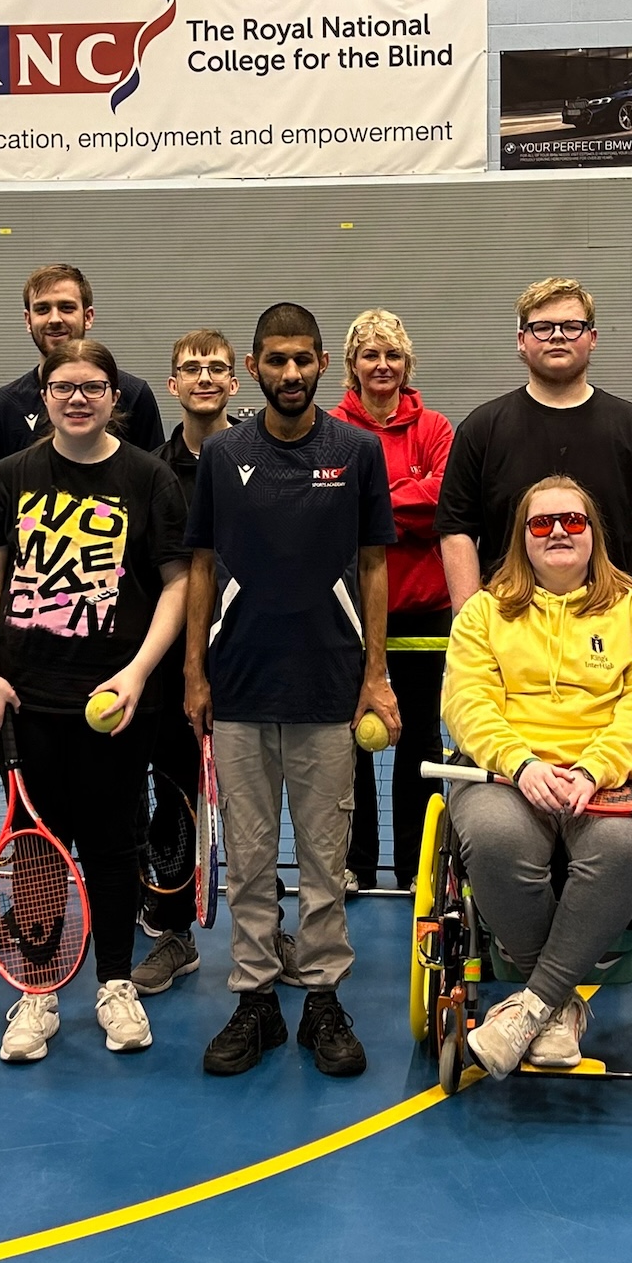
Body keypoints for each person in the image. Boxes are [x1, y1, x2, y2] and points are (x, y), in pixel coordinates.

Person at [0, 338, 190, 1063]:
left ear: (113, 396)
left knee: (113, 842)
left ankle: (115, 982)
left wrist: (136, 671)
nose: (77, 397)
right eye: (63, 386)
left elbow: (178, 583)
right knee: (37, 847)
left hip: (117, 700)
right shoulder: (10, 474)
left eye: (92, 385)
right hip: (27, 697)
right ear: (46, 396)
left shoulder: (149, 478)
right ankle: (38, 986)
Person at [186, 302, 397, 1079]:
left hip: (328, 686)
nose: (289, 373)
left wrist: (375, 674)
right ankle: (254, 1000)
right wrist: (192, 672)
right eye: (274, 360)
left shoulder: (357, 451)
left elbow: (373, 564)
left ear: (321, 366)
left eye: (302, 359)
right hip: (238, 686)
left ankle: (321, 998)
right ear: (252, 367)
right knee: (246, 863)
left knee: (324, 860)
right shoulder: (221, 455)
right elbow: (202, 564)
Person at [443, 476, 632, 1078]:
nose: (557, 533)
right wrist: (522, 764)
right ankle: (559, 1007)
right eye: (541, 523)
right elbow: (469, 704)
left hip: (608, 778)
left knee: (622, 848)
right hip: (507, 774)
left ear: (594, 534)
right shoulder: (482, 615)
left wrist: (596, 768)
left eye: (573, 521)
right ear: (521, 537)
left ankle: (532, 1008)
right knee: (495, 841)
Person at [131, 330, 262, 997]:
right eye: (191, 368)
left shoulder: (261, 455)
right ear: (172, 384)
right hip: (171, 669)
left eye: (217, 367)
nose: (204, 377)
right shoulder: (149, 471)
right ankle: (174, 931)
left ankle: (260, 936)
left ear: (235, 381)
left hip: (251, 660)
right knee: (176, 798)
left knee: (256, 805)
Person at [434, 276, 632, 622]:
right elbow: (457, 529)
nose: (557, 335)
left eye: (571, 326)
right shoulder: (480, 430)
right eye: (542, 327)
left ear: (592, 338)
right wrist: (471, 622)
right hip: (511, 624)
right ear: (522, 340)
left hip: (613, 624)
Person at [329, 308, 455, 893]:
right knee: (347, 742)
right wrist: (404, 497)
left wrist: (373, 501)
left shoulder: (436, 428)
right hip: (349, 613)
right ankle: (354, 863)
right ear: (352, 365)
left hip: (426, 610)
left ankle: (417, 863)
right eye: (371, 355)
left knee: (421, 741)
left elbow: (442, 503)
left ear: (407, 365)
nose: (383, 365)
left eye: (393, 355)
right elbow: (333, 512)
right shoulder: (330, 429)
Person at [0, 264, 165, 486]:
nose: (54, 319)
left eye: (66, 307)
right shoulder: (3, 405)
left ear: (88, 316)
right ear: (28, 320)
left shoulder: (134, 395)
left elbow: (154, 485)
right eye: (42, 309)